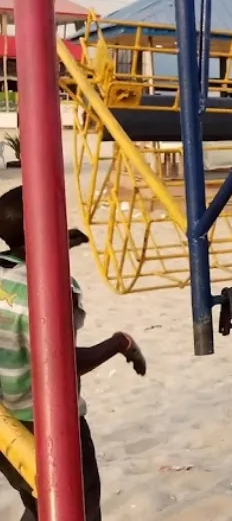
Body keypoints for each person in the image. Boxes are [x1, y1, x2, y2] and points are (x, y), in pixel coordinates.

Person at [0, 186, 147, 521]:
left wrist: (56, 242)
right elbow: (61, 365)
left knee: (35, 500)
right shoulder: (50, 291)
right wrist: (119, 343)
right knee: (77, 505)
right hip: (46, 423)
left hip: (4, 425)